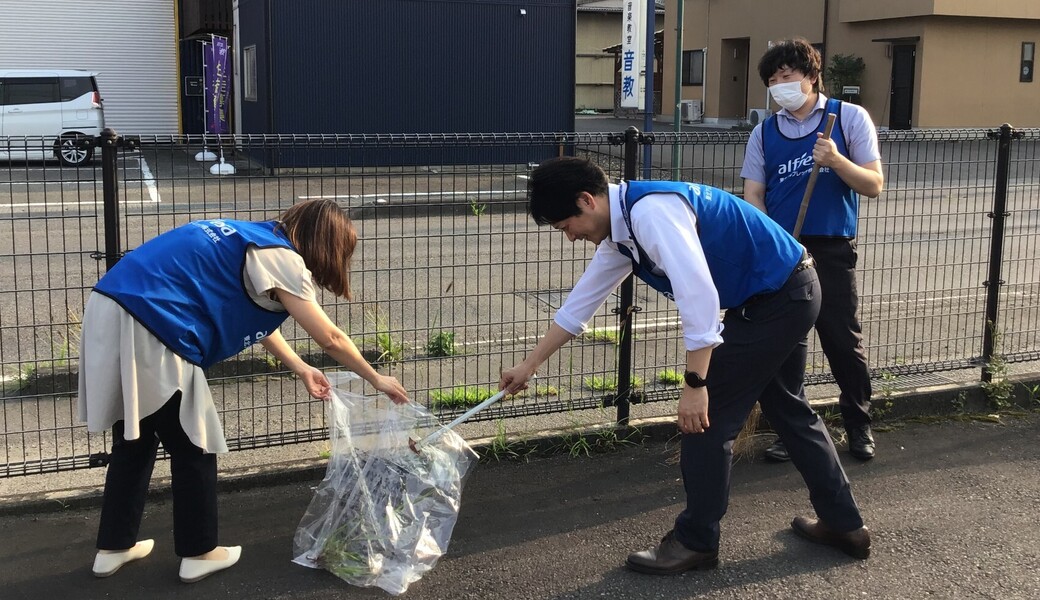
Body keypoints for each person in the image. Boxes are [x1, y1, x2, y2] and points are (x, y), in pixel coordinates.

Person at [499, 156, 870, 574]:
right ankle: (845, 525)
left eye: (566, 226)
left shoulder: (651, 214)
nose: (570, 237)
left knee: (704, 423)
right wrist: (529, 365)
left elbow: (699, 296)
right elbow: (579, 306)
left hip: (778, 299)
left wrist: (696, 384)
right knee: (789, 410)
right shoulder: (622, 233)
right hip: (789, 290)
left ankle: (696, 543)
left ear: (587, 200)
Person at [78, 199, 409, 583]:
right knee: (194, 443)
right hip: (155, 324)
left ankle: (113, 547)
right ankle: (199, 552)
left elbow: (257, 314)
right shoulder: (284, 260)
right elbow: (330, 338)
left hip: (109, 309)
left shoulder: (249, 238)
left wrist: (301, 367)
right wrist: (375, 378)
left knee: (135, 437)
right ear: (328, 245)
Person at [741, 38, 884, 462]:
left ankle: (858, 424)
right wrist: (771, 239)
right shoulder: (764, 132)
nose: (780, 86)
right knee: (787, 344)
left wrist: (836, 160)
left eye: (787, 76)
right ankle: (793, 431)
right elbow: (754, 192)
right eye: (772, 80)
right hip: (785, 248)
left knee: (842, 340)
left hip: (832, 245)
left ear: (811, 76)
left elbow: (873, 185)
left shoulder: (848, 117)